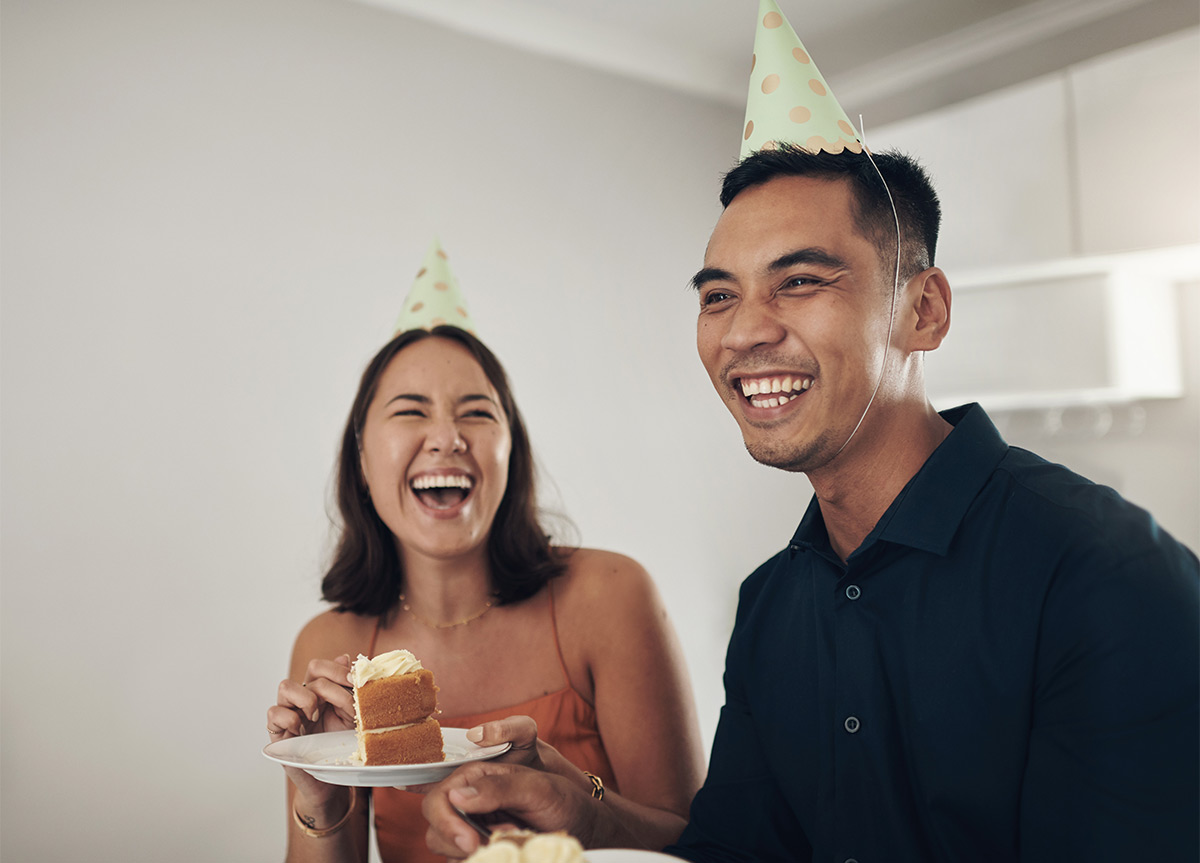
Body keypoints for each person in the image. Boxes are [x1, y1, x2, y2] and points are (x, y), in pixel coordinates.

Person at [420, 146, 1199, 861]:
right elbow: (735, 852)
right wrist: (585, 811)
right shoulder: (771, 607)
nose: (744, 331)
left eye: (799, 281)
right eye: (719, 295)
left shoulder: (1104, 573)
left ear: (922, 311)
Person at [265, 310, 704, 862]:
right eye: (409, 411)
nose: (447, 439)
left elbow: (696, 844)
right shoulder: (328, 645)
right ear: (360, 458)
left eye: (476, 413)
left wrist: (577, 806)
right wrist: (323, 801)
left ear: (510, 451)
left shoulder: (610, 595)